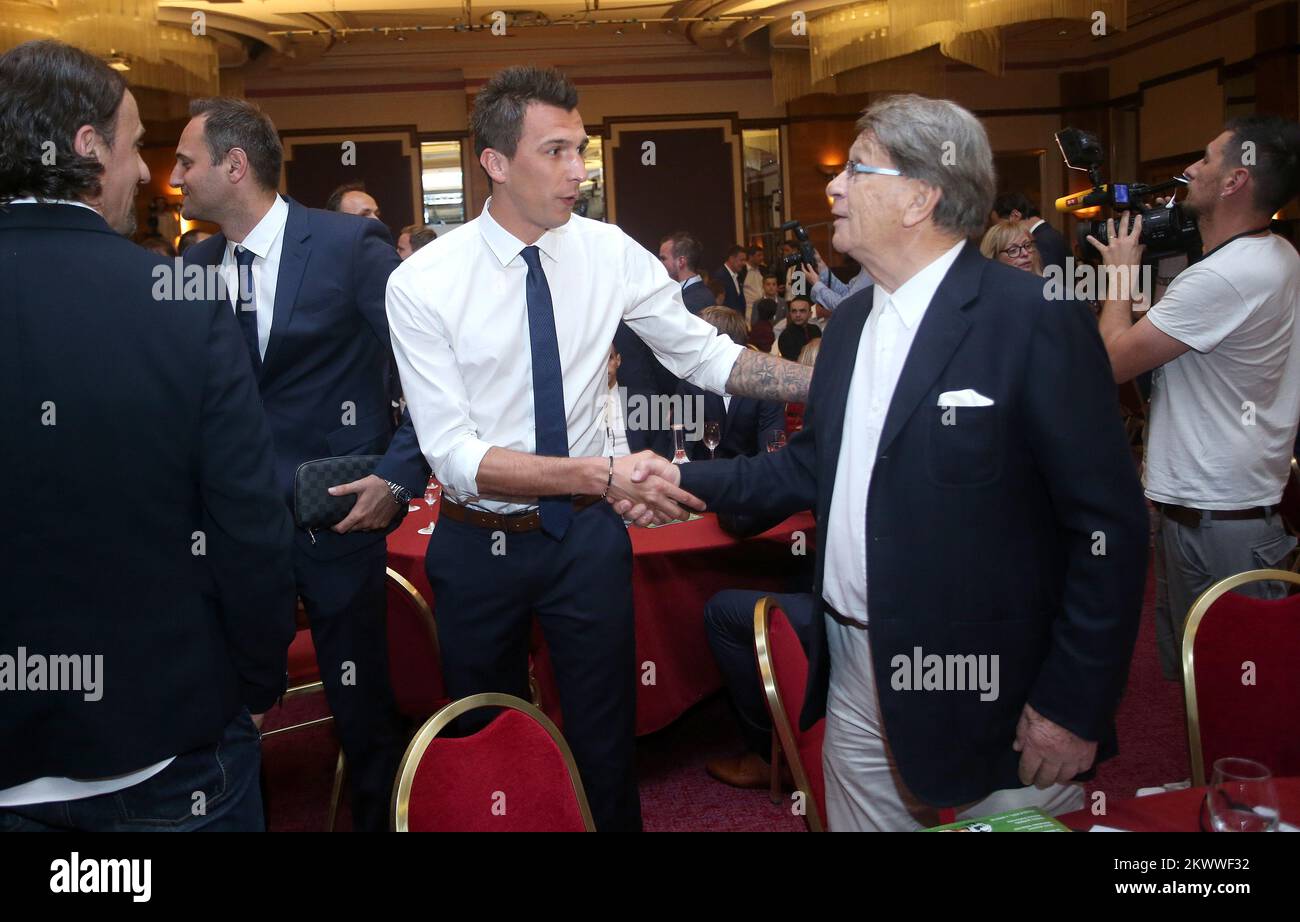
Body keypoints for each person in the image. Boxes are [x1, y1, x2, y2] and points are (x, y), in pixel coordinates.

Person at [621, 93, 1148, 831]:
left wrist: (1071, 703)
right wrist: (681, 479)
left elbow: (1109, 530)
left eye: (856, 170)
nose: (832, 187)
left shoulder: (1032, 319)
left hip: (987, 684)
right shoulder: (852, 326)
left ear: (920, 197)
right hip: (851, 669)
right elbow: (808, 468)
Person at [385, 65, 810, 832]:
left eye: (581, 149)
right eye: (555, 152)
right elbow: (451, 456)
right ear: (495, 162)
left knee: (606, 741)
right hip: (479, 545)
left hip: (584, 539)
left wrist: (826, 379)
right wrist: (603, 471)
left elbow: (707, 357)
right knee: (486, 740)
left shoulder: (607, 251)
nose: (579, 170)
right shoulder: (423, 283)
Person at [0, 40, 295, 830]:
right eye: (134, 147)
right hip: (168, 753)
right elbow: (250, 525)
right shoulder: (183, 300)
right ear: (87, 149)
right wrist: (259, 683)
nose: (145, 173)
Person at [172, 97, 429, 832]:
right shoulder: (195, 261)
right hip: (229, 529)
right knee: (227, 704)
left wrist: (398, 476)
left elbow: (428, 370)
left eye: (187, 162)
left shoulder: (350, 245)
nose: (176, 177)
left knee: (361, 710)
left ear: (234, 165)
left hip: (337, 515)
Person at [1094, 115, 1300, 680]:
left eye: (1206, 160)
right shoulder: (1274, 253)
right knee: (1200, 687)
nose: (1189, 170)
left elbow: (1112, 361)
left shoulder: (1227, 276)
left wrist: (1118, 277)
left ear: (1236, 180)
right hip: (1218, 511)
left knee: (1233, 692)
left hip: (1219, 522)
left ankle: (1238, 773)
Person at [676, 307, 785, 461]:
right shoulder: (690, 381)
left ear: (719, 342)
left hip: (748, 478)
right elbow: (682, 446)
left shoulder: (765, 382)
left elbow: (771, 449)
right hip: (702, 477)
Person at [992, 192, 1069, 276]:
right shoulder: (1049, 235)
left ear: (1015, 216)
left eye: (999, 224)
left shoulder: (1041, 241)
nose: (998, 231)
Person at [658, 230, 714, 314]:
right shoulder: (694, 294)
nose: (659, 263)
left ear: (681, 261)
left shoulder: (693, 301)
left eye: (663, 259)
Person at [775, 295, 821, 361]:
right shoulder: (786, 336)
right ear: (790, 314)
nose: (798, 315)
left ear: (810, 314)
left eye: (802, 311)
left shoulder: (816, 330)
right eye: (794, 311)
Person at [712, 244, 747, 313]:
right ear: (731, 259)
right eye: (741, 260)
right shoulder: (720, 276)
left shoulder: (739, 275)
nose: (744, 263)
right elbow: (719, 303)